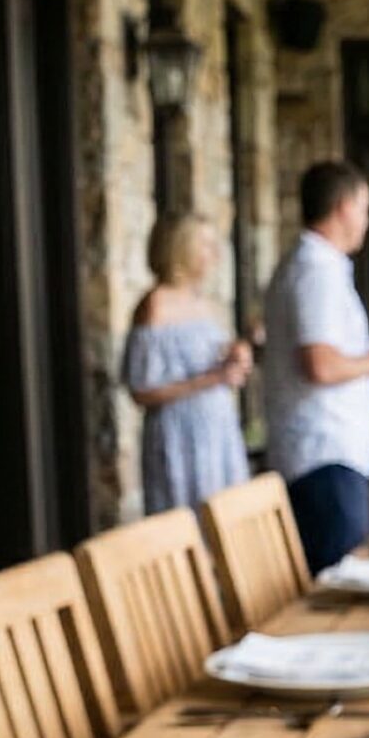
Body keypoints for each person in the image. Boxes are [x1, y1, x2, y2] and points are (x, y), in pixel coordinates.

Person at [263, 160, 369, 573]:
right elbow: (321, 365)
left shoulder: (313, 265)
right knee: (339, 587)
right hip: (324, 459)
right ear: (346, 207)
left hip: (324, 455)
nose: (367, 220)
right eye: (366, 209)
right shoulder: (316, 271)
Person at [124, 213, 252, 515]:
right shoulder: (155, 304)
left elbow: (206, 361)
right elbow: (141, 389)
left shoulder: (201, 301)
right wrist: (212, 379)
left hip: (217, 431)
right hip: (178, 437)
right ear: (181, 249)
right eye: (205, 244)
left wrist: (233, 356)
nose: (214, 254)